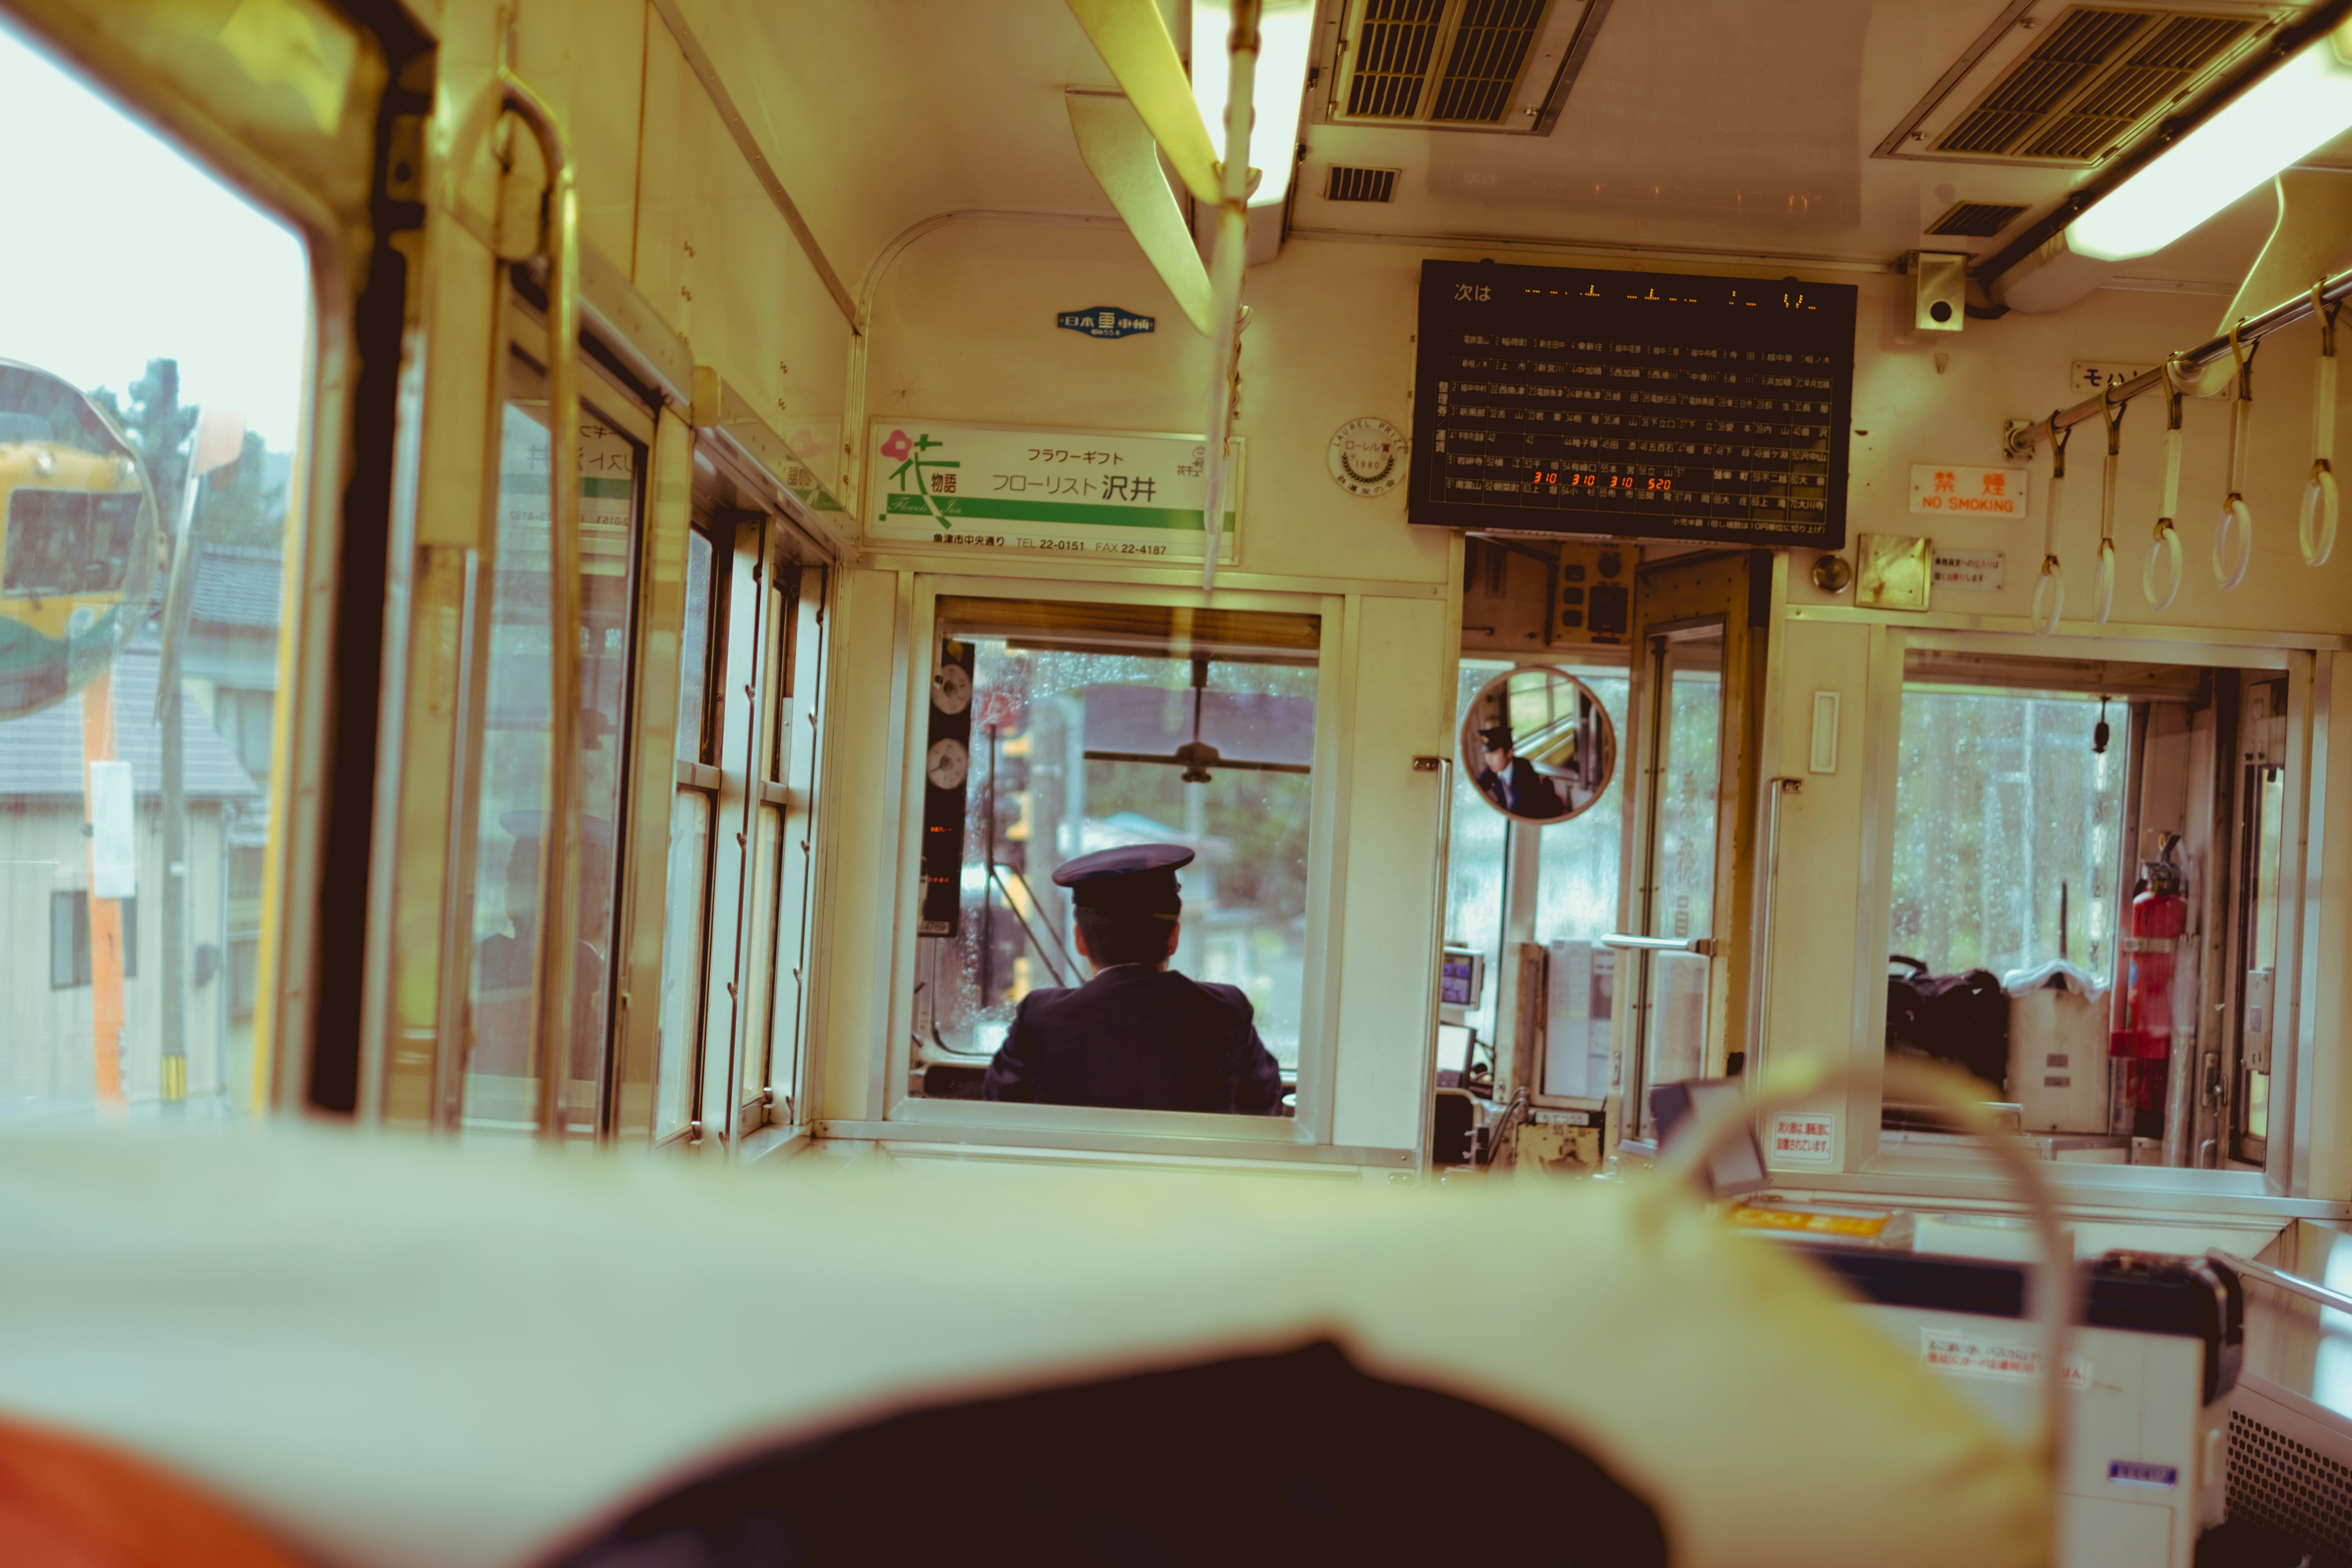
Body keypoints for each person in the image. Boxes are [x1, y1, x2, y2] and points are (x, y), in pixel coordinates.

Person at [982, 844, 1285, 1115]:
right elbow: (1263, 1107)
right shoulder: (1226, 1010)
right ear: (1173, 939)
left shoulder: (1040, 1015)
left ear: (1080, 941)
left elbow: (1001, 1108)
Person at [1472, 725, 1567, 820]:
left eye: (1494, 753)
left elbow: (1520, 810)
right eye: (1487, 753)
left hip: (1532, 820)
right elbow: (1478, 786)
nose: (1489, 759)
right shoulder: (1494, 768)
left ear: (1509, 753)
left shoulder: (1525, 772)